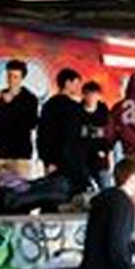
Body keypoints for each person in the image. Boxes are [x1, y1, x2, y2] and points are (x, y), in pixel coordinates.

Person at [0, 59, 40, 181]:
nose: (11, 80)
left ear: (22, 78)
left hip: (20, 156)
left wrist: (11, 105)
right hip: (0, 154)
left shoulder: (30, 99)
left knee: (21, 194)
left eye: (15, 77)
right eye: (9, 76)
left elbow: (32, 123)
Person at [37, 68, 89, 197]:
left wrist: (47, 160)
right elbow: (75, 136)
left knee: (52, 195)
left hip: (53, 160)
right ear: (67, 83)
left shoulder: (48, 105)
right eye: (76, 83)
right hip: (72, 161)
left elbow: (42, 134)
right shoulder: (74, 108)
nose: (78, 88)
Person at [80, 81, 113, 190]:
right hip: (83, 156)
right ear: (83, 95)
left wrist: (107, 152)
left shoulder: (103, 111)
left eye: (94, 95)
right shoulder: (77, 111)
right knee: (85, 186)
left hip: (100, 156)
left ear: (99, 96)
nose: (91, 98)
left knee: (105, 184)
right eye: (88, 94)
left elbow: (108, 134)